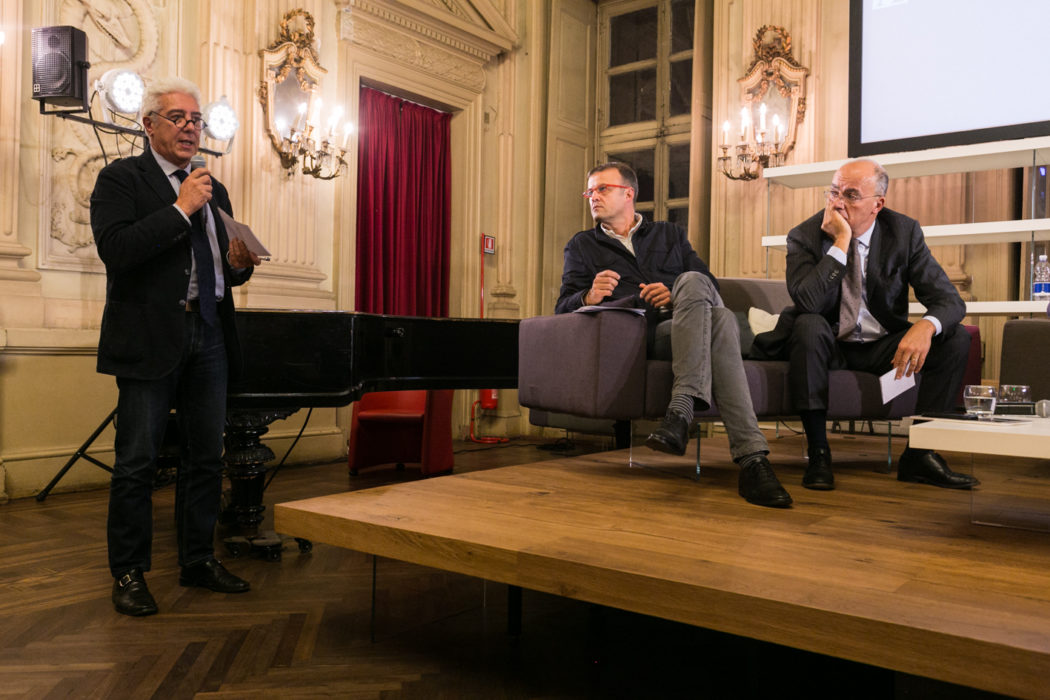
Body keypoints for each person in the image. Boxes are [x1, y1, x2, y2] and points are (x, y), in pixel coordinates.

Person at [90, 77, 262, 616]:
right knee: (138, 461)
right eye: (179, 118)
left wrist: (239, 265)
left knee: (206, 457)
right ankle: (129, 572)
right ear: (148, 125)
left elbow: (222, 270)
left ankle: (197, 560)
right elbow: (117, 250)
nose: (191, 127)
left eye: (196, 119)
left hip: (208, 333)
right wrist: (180, 208)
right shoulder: (121, 179)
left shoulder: (213, 188)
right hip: (149, 337)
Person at [556, 162, 793, 508]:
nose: (593, 196)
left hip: (685, 318)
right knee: (721, 322)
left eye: (602, 188)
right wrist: (589, 296)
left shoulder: (670, 234)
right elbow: (562, 306)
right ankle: (753, 461)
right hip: (650, 334)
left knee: (697, 286)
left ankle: (681, 414)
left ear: (628, 193)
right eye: (589, 191)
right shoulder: (582, 246)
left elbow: (709, 286)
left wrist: (674, 294)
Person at [785, 158, 977, 491]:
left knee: (955, 338)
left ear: (878, 204)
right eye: (833, 192)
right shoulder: (805, 235)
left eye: (850, 195)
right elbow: (808, 303)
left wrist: (925, 326)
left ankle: (921, 453)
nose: (838, 203)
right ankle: (818, 453)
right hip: (829, 346)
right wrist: (841, 242)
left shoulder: (903, 232)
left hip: (882, 347)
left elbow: (950, 301)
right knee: (809, 325)